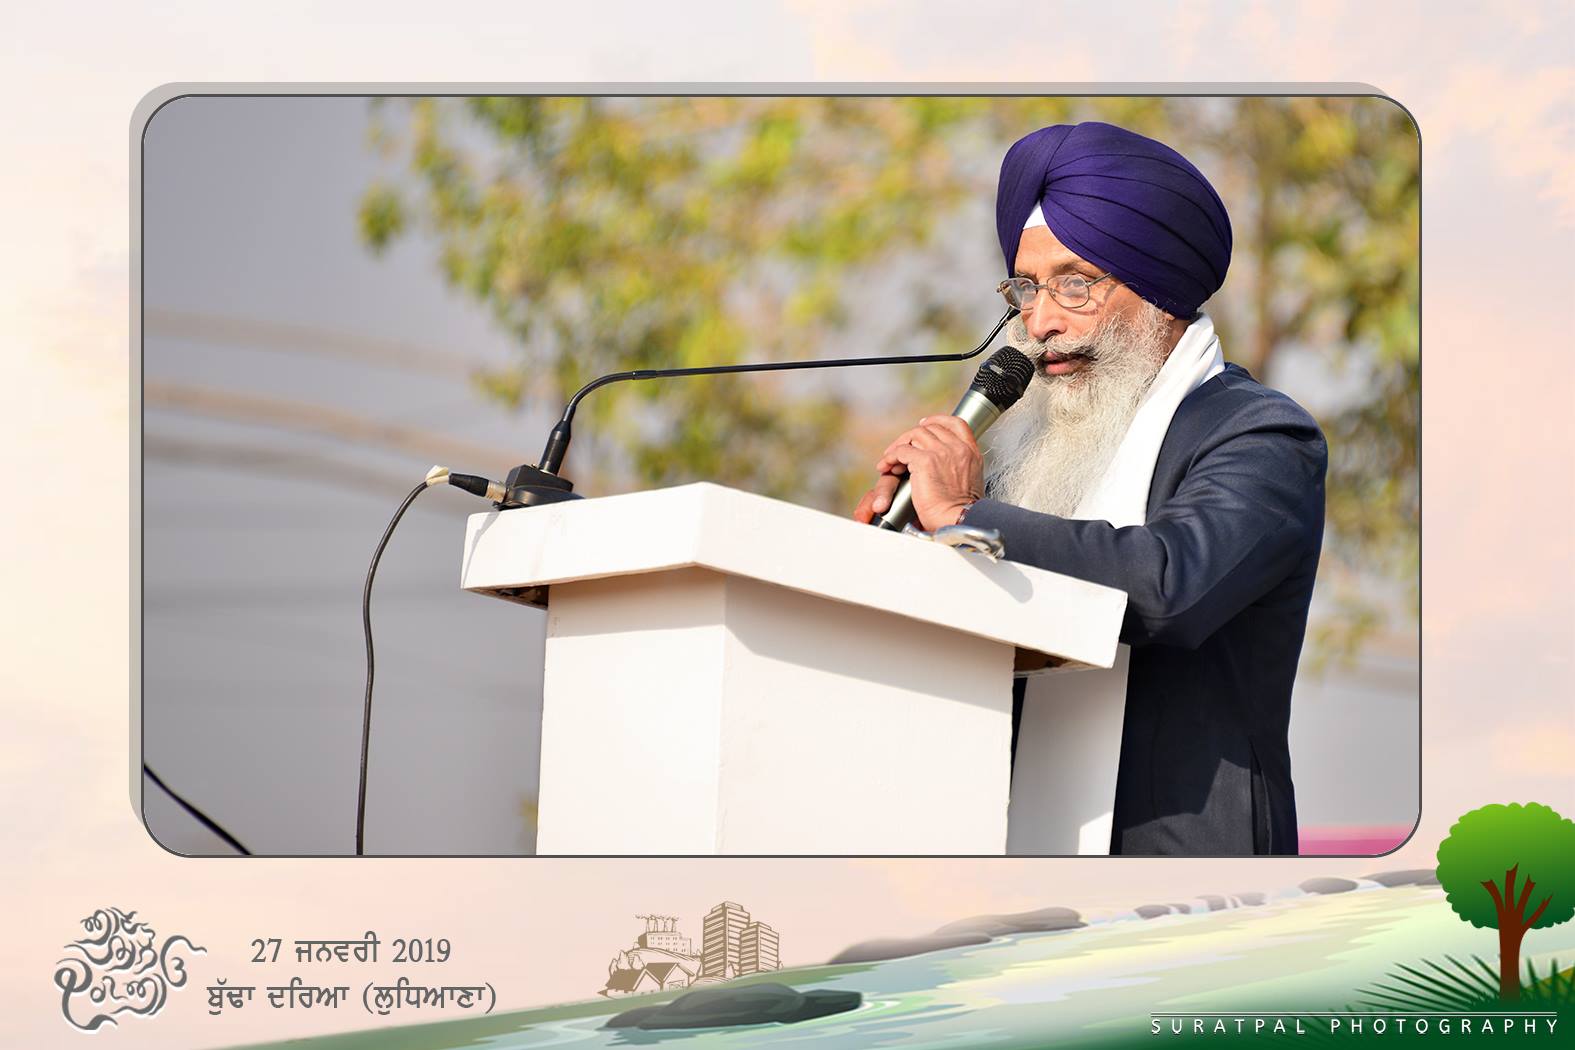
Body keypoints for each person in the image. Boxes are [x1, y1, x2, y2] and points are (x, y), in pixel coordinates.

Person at [853, 121, 1326, 856]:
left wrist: (967, 514)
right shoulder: (1035, 463)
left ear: (1160, 291)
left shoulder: (1260, 435)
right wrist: (903, 547)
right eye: (1027, 288)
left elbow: (1168, 586)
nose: (1040, 322)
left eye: (1075, 284)